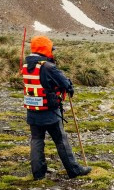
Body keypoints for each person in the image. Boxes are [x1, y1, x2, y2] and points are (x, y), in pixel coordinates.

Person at [22, 36, 91, 180]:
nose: (52, 52)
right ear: (45, 49)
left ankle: (38, 174)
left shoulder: (26, 66)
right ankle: (74, 170)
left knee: (36, 140)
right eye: (50, 49)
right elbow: (65, 83)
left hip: (32, 112)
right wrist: (68, 86)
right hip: (50, 112)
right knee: (60, 140)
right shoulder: (48, 67)